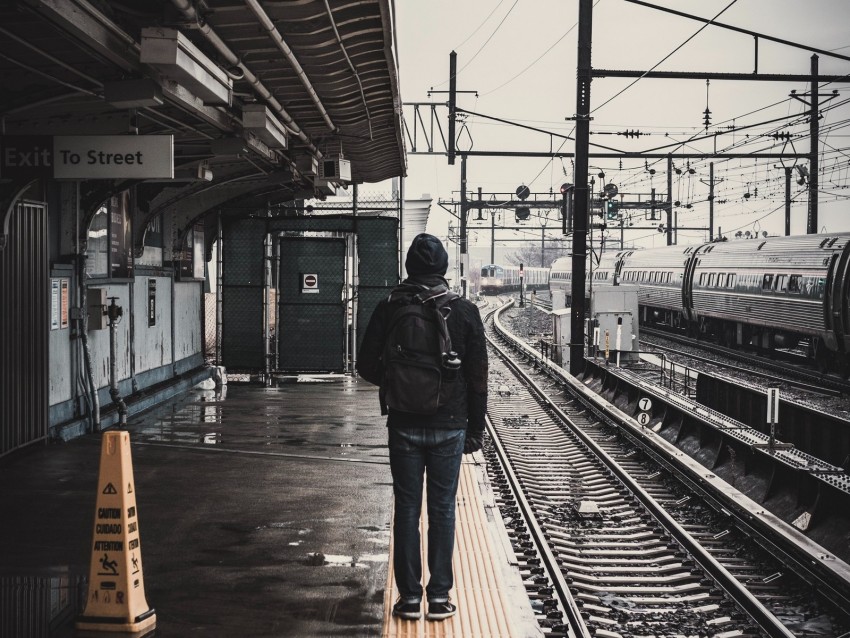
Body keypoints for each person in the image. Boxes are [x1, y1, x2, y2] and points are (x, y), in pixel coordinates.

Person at [357, 233, 488, 622]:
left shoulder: (390, 306)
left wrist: (400, 384)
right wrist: (475, 431)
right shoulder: (464, 311)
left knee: (408, 509)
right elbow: (478, 379)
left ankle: (409, 599)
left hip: (403, 426)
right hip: (450, 425)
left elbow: (365, 365)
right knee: (443, 510)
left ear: (410, 267)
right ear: (443, 269)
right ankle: (440, 599)